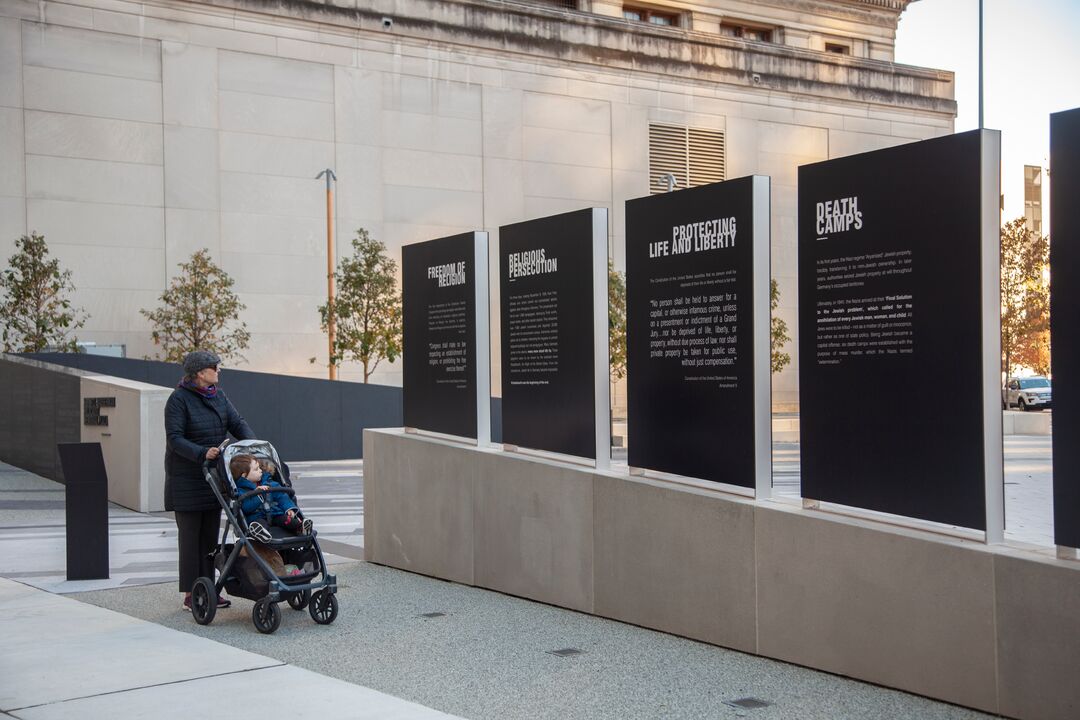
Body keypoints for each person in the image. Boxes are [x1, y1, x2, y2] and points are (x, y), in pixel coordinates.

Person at [164, 350, 256, 612]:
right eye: (214, 367)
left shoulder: (218, 396)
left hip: (212, 477)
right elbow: (175, 438)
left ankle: (209, 589)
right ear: (200, 372)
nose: (218, 371)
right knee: (191, 539)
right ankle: (191, 594)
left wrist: (252, 443)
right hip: (186, 478)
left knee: (208, 538)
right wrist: (201, 452)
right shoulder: (178, 400)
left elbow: (236, 422)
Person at [229, 454, 314, 541]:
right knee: (259, 524)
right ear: (244, 475)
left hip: (275, 513)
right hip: (257, 516)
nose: (260, 471)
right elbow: (246, 507)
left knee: (287, 520)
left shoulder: (269, 483)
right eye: (256, 469)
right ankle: (261, 534)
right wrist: (258, 495)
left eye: (259, 467)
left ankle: (300, 527)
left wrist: (288, 508)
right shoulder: (241, 490)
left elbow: (281, 496)